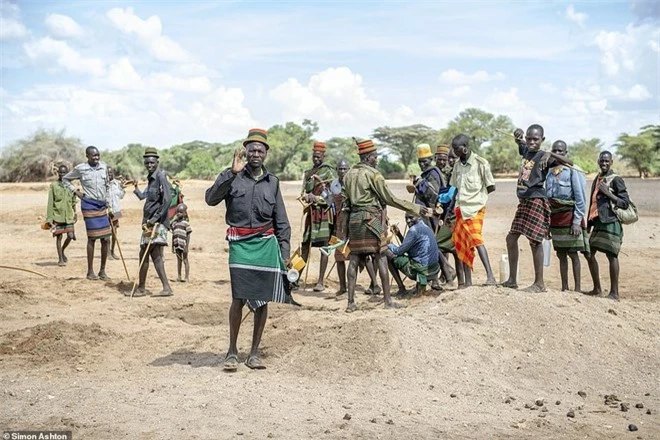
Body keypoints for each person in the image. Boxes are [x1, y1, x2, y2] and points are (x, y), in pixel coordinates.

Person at [205, 128, 295, 371]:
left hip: (266, 245)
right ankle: (232, 351)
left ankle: (254, 353)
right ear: (244, 151)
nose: (255, 153)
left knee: (263, 299)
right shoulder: (233, 177)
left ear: (266, 153)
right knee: (239, 297)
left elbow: (282, 222)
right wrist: (229, 174)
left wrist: (285, 255)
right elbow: (210, 199)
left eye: (260, 150)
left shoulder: (273, 182)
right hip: (240, 245)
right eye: (251, 149)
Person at [341, 138, 431, 312]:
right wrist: (416, 208)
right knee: (381, 256)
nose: (377, 160)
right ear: (368, 157)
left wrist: (344, 231)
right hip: (371, 221)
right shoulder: (374, 175)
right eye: (375, 157)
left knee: (354, 259)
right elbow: (390, 199)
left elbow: (345, 205)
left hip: (354, 222)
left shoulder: (348, 175)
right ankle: (387, 301)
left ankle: (351, 303)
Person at [502, 124, 562, 292]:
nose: (531, 142)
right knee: (511, 238)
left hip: (536, 200)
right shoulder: (527, 150)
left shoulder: (545, 156)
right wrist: (518, 137)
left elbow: (568, 162)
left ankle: (539, 283)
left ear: (542, 140)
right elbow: (520, 144)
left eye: (535, 139)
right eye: (529, 138)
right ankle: (512, 280)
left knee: (535, 242)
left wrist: (550, 153)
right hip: (524, 201)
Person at [450, 134, 497, 287]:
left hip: (476, 208)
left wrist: (478, 199)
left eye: (456, 149)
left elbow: (491, 186)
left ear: (464, 148)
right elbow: (456, 189)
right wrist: (452, 208)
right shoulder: (457, 166)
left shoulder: (481, 163)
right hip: (460, 209)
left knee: (476, 239)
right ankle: (468, 282)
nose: (454, 152)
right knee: (463, 243)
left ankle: (490, 276)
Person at [584, 151, 630, 300]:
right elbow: (592, 203)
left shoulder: (616, 179)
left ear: (611, 162)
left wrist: (608, 193)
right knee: (588, 253)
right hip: (597, 221)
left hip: (611, 222)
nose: (604, 163)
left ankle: (614, 293)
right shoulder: (597, 178)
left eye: (607, 161)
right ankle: (597, 288)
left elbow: (624, 203)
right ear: (598, 161)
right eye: (602, 161)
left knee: (612, 256)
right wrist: (589, 223)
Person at [545, 140, 589, 292]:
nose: (557, 154)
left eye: (560, 151)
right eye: (554, 151)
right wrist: (547, 224)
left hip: (570, 217)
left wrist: (577, 221)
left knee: (573, 253)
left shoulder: (573, 170)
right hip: (555, 218)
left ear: (566, 153)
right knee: (561, 254)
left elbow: (580, 198)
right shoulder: (549, 171)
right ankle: (565, 287)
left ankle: (577, 289)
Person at [63, 146, 111, 280]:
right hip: (89, 204)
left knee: (106, 239)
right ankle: (90, 271)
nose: (96, 158)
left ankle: (102, 271)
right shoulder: (81, 168)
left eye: (98, 155)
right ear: (87, 156)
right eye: (93, 156)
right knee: (92, 238)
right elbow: (65, 179)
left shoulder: (104, 167)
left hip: (102, 205)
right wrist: (76, 192)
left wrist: (108, 202)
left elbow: (107, 185)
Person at [132, 147, 173, 297]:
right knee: (149, 254)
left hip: (157, 223)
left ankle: (149, 288)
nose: (149, 165)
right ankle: (149, 287)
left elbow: (167, 199)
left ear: (157, 162)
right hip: (148, 223)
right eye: (147, 163)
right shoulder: (151, 178)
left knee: (150, 254)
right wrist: (136, 188)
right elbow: (144, 196)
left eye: (152, 163)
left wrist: (154, 219)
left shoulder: (161, 176)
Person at [407, 143, 447, 289]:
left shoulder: (434, 173)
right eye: (420, 162)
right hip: (422, 215)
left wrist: (420, 184)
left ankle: (436, 278)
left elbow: (434, 195)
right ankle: (430, 280)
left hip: (430, 216)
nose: (423, 164)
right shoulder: (426, 174)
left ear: (431, 159)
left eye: (425, 161)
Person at [300, 141, 337, 292]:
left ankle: (320, 281)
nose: (316, 159)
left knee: (324, 246)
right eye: (314, 156)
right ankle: (295, 277)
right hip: (311, 213)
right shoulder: (308, 173)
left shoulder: (329, 172)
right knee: (305, 245)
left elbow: (335, 194)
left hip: (323, 213)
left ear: (324, 156)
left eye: (319, 156)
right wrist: (307, 197)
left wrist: (317, 199)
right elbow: (302, 193)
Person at [386, 213, 439, 297]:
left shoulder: (413, 230)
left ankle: (401, 288)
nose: (408, 221)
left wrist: (388, 244)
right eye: (406, 218)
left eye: (411, 217)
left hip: (422, 271)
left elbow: (399, 251)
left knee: (387, 252)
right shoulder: (426, 227)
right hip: (434, 270)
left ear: (419, 217)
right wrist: (399, 234)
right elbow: (409, 248)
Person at [46, 164, 77, 266]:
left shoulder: (71, 185)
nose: (62, 174)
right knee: (59, 237)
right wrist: (49, 219)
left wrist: (75, 213)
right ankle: (60, 259)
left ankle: (62, 250)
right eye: (61, 172)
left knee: (71, 236)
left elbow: (73, 200)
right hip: (57, 215)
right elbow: (50, 203)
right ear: (58, 173)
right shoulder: (54, 185)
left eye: (65, 173)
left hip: (68, 216)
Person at [107, 167, 125, 260]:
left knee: (114, 232)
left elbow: (121, 196)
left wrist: (122, 187)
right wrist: (108, 209)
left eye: (111, 173)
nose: (109, 175)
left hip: (116, 210)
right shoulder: (104, 185)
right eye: (107, 173)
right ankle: (108, 253)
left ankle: (113, 251)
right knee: (107, 233)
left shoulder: (116, 184)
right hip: (107, 211)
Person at [171, 203, 192, 282]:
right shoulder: (174, 223)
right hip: (177, 244)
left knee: (185, 260)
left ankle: (186, 277)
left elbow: (188, 235)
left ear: (184, 213)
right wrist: (172, 246)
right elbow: (173, 234)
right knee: (179, 260)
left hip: (183, 244)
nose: (178, 214)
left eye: (180, 212)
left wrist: (186, 247)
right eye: (177, 212)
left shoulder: (186, 223)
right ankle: (179, 276)